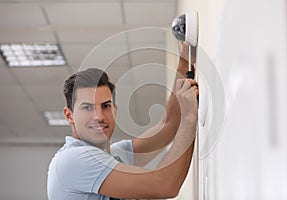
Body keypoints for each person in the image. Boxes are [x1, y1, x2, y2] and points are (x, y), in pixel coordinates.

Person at [47, 42, 198, 200]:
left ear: (115, 110)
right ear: (69, 115)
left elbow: (167, 126)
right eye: (87, 107)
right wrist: (189, 118)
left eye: (106, 106)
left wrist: (184, 62)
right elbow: (165, 185)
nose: (99, 116)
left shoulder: (115, 155)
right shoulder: (75, 159)